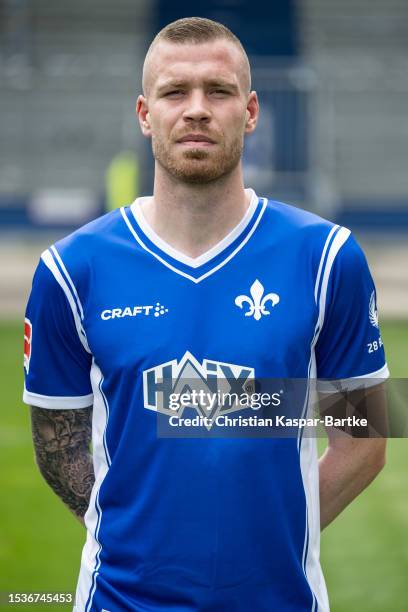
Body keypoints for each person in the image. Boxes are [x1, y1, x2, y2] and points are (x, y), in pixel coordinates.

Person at [23, 17, 389, 612]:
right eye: (175, 92)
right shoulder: (71, 270)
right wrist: (146, 541)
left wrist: (268, 540)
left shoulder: (327, 258)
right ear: (145, 114)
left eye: (217, 92)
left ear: (249, 112)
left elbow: (366, 439)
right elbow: (55, 443)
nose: (196, 110)